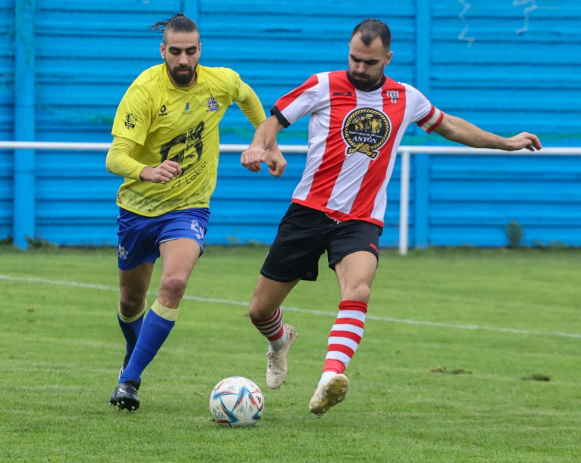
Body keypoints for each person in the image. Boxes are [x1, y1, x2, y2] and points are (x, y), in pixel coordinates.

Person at [240, 18, 541, 417]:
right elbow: (272, 121)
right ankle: (280, 342)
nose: (360, 69)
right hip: (308, 212)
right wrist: (258, 146)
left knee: (358, 289)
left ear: (388, 58)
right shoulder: (323, 85)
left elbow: (448, 124)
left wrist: (505, 143)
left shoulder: (406, 97)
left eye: (370, 62)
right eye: (354, 59)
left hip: (361, 219)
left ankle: (329, 379)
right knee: (259, 310)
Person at [105, 12, 266, 411]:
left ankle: (129, 380)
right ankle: (135, 356)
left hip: (188, 207)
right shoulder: (144, 91)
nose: (182, 60)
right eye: (174, 52)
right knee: (130, 302)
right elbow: (115, 157)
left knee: (174, 283)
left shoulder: (220, 81)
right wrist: (147, 170)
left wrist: (267, 142)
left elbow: (248, 98)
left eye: (190, 51)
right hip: (138, 209)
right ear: (163, 51)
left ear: (200, 50)